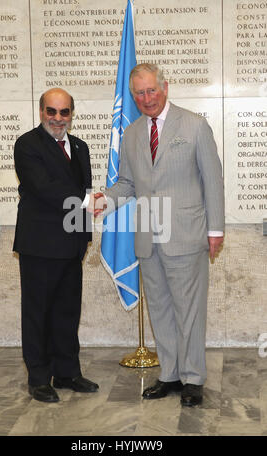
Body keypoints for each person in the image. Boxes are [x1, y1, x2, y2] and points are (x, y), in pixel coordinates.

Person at [95, 64, 224, 407]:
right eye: (139, 93)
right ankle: (169, 374)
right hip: (148, 239)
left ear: (165, 88)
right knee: (162, 310)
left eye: (152, 90)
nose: (146, 98)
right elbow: (127, 184)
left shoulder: (194, 125)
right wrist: (103, 200)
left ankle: (193, 378)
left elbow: (212, 180)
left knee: (190, 311)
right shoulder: (133, 133)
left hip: (186, 234)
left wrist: (215, 230)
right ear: (133, 96)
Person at [13, 88, 99, 403]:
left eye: (64, 112)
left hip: (72, 243)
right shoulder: (27, 145)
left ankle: (67, 372)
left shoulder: (80, 146)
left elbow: (84, 188)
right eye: (52, 111)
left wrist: (85, 236)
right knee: (38, 313)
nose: (58, 119)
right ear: (41, 112)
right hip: (40, 245)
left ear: (71, 114)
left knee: (67, 311)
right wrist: (88, 201)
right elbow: (44, 188)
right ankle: (38, 377)